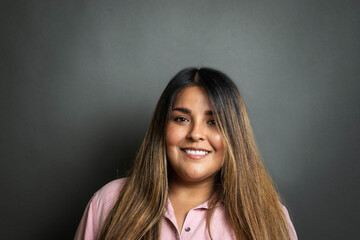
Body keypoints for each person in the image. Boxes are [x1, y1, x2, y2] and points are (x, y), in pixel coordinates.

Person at [75, 67, 298, 240]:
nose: (196, 134)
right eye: (182, 119)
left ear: (234, 135)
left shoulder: (269, 217)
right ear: (162, 127)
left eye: (214, 121)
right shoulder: (109, 202)